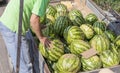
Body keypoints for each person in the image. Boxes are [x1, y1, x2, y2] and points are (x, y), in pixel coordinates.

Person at [0, 0, 50, 73]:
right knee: (25, 68)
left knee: (19, 62)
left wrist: (37, 26)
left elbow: (28, 9)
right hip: (13, 29)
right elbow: (34, 20)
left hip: (8, 22)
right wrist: (41, 38)